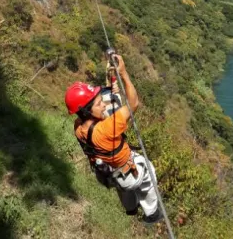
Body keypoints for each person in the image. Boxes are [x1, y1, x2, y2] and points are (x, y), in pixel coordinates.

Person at [65, 54, 163, 225]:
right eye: (98, 104)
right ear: (87, 111)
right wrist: (123, 73)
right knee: (148, 171)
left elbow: (105, 106)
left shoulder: (78, 127)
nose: (103, 104)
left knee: (124, 187)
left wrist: (111, 84)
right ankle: (152, 214)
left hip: (108, 173)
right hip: (129, 173)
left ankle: (131, 209)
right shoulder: (106, 129)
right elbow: (133, 104)